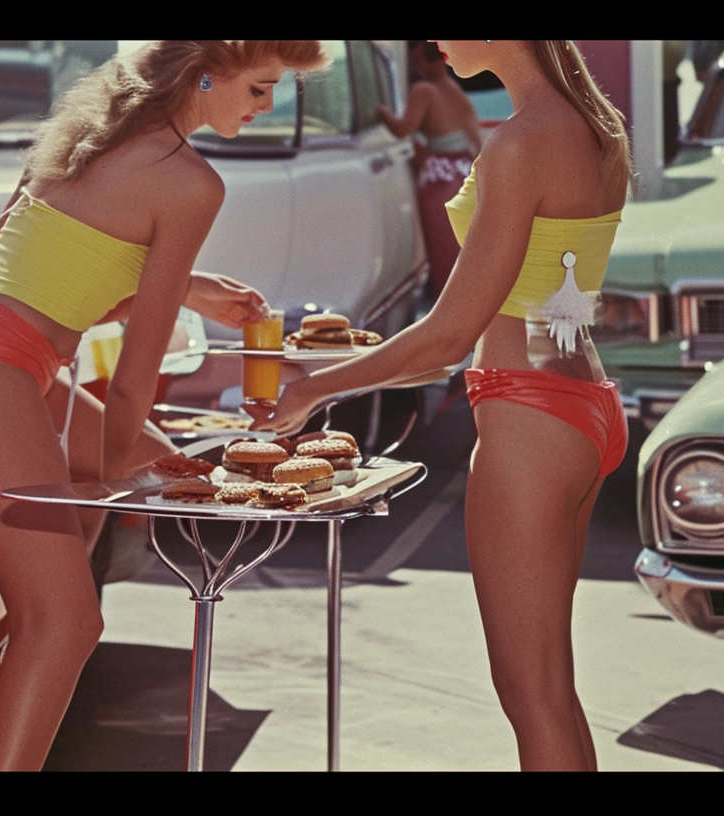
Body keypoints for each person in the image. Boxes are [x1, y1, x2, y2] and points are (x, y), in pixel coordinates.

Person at [0, 40, 329, 771]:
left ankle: (62, 555)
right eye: (259, 87)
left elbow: (8, 270)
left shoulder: (87, 133)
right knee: (65, 622)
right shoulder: (190, 184)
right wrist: (102, 481)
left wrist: (188, 288)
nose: (267, 107)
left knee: (155, 460)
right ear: (204, 72)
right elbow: (134, 377)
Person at [254, 40, 630, 771]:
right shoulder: (595, 126)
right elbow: (540, 302)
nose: (432, 46)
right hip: (580, 402)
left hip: (529, 413)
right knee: (552, 692)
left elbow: (449, 336)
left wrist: (312, 388)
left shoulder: (521, 143)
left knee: (532, 694)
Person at [378, 40, 483, 300]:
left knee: (442, 253)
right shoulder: (454, 90)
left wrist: (380, 111)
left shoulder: (423, 90)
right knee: (460, 250)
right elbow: (475, 140)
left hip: (439, 179)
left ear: (421, 58)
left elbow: (402, 128)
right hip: (462, 173)